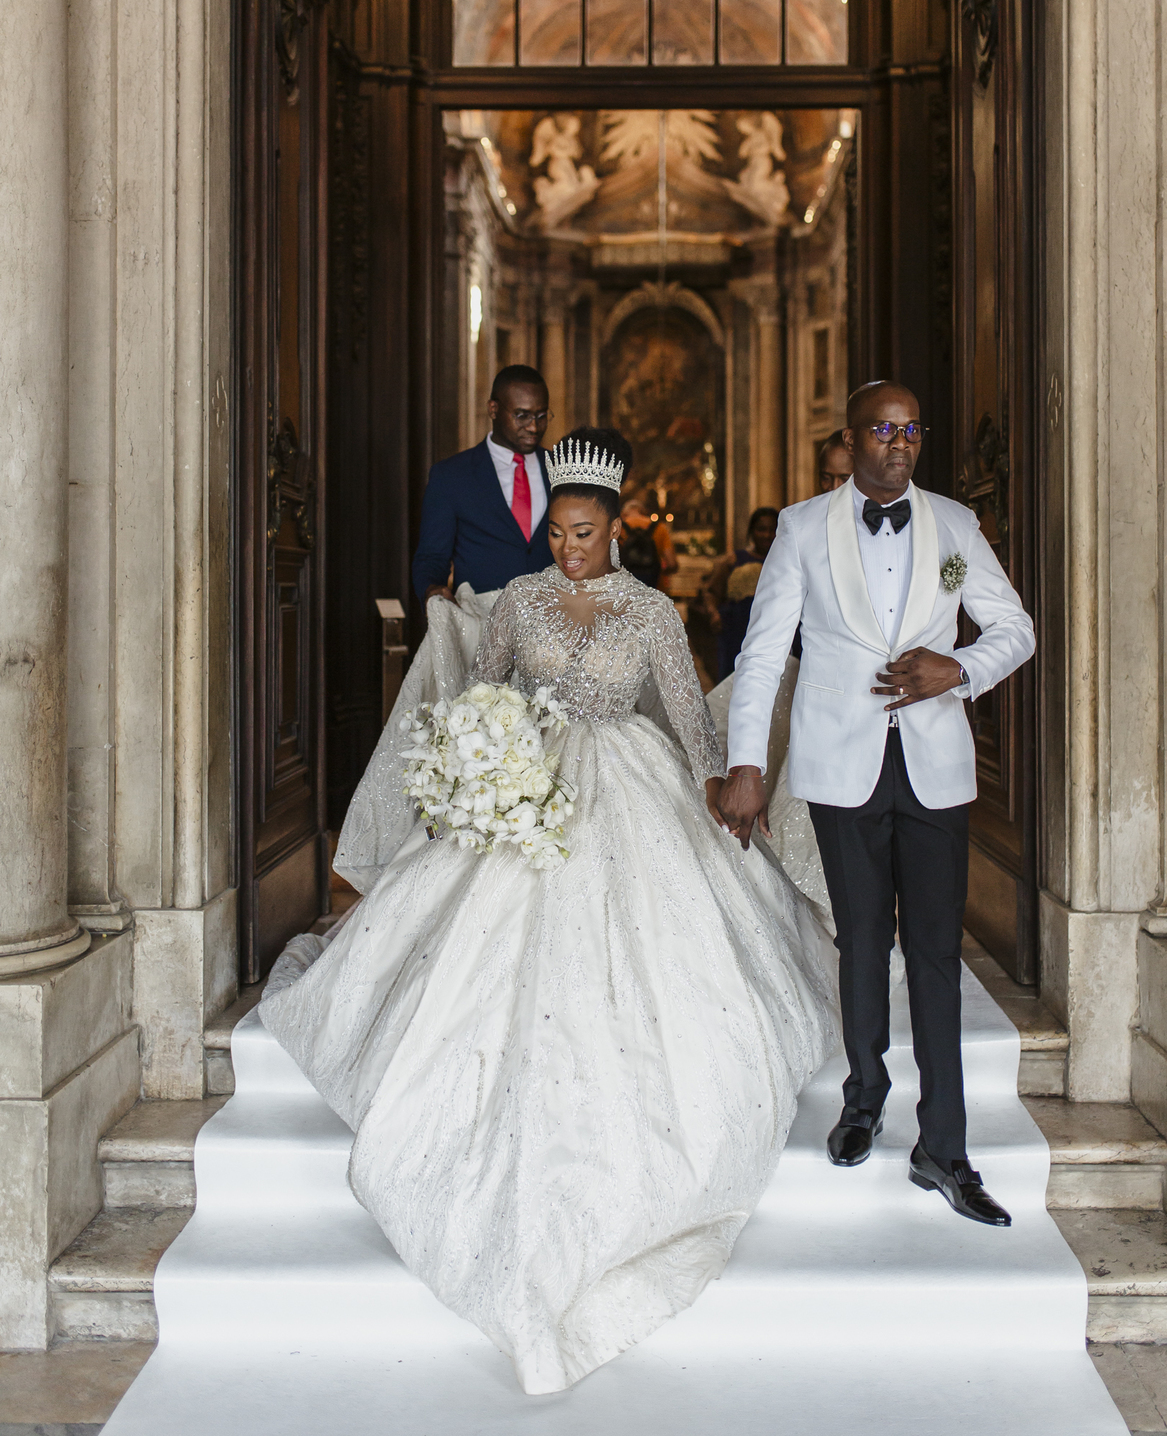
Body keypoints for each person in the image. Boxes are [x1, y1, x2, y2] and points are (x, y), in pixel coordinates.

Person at [259, 424, 835, 1396]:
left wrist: (721, 787)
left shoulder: (651, 611)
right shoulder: (518, 601)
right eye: (558, 533)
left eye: (584, 534)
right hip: (525, 782)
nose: (568, 548)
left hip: (628, 782)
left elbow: (687, 716)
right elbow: (481, 696)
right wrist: (477, 762)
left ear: (616, 526)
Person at [719, 379, 1035, 1228]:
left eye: (912, 430)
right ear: (853, 440)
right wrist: (746, 764)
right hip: (840, 763)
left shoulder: (956, 527)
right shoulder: (800, 529)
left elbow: (1015, 628)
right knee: (861, 940)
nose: (901, 443)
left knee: (934, 952)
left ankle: (946, 1149)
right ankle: (863, 1098)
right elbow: (762, 655)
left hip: (935, 764)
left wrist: (958, 668)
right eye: (884, 430)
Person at [411, 364, 553, 604]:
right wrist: (432, 590)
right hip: (480, 618)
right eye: (522, 415)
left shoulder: (561, 468)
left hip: (552, 617)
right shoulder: (451, 476)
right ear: (493, 409)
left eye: (541, 416)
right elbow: (432, 557)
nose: (533, 427)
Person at [699, 506, 780, 680]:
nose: (767, 535)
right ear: (752, 531)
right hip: (736, 630)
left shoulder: (785, 562)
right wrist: (714, 615)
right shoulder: (734, 560)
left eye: (772, 530)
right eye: (761, 529)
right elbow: (712, 591)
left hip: (774, 631)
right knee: (734, 679)